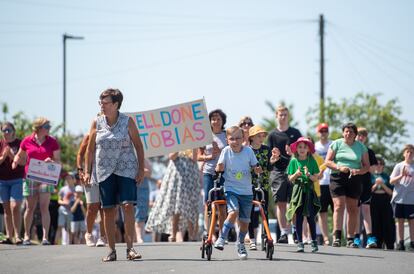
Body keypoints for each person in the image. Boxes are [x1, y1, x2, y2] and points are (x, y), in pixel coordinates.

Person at [84, 88, 145, 262]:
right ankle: (111, 250)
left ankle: (130, 248)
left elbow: (139, 146)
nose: (102, 106)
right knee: (108, 209)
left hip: (126, 168)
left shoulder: (128, 122)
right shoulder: (96, 122)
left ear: (116, 104)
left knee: (127, 206)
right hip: (104, 171)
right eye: (100, 102)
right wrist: (88, 171)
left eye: (106, 102)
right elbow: (90, 149)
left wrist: (140, 170)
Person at [213, 126, 262, 260]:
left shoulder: (248, 151)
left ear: (243, 139)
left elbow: (255, 166)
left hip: (246, 191)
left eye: (238, 138)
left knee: (245, 221)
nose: (235, 141)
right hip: (231, 189)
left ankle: (240, 243)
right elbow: (219, 167)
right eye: (232, 139)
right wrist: (219, 168)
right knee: (233, 212)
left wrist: (258, 169)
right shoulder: (226, 151)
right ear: (227, 140)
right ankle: (222, 238)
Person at [12, 117, 61, 245]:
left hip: (46, 177)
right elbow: (20, 155)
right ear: (39, 128)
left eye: (49, 126)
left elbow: (58, 161)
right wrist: (15, 160)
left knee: (45, 207)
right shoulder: (27, 140)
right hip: (30, 177)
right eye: (47, 127)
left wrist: (52, 161)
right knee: (30, 208)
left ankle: (45, 238)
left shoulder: (52, 141)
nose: (49, 129)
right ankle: (27, 236)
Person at [325, 123, 370, 247]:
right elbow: (327, 161)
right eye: (346, 131)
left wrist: (358, 171)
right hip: (338, 176)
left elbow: (367, 166)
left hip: (354, 177)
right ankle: (337, 237)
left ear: (355, 134)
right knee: (339, 206)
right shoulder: (336, 144)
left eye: (351, 131)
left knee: (353, 208)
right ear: (343, 133)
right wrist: (339, 167)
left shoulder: (361, 147)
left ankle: (350, 238)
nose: (348, 133)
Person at [146, 149, 200, 242]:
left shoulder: (193, 141)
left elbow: (195, 158)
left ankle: (192, 234)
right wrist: (181, 147)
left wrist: (193, 148)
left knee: (190, 204)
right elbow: (171, 156)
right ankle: (173, 233)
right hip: (177, 174)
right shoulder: (177, 141)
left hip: (190, 174)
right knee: (177, 205)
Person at [267, 105, 302, 243]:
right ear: (276, 116)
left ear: (289, 116)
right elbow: (269, 155)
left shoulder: (296, 133)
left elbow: (303, 152)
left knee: (293, 203)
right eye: (280, 115)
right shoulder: (272, 135)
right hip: (277, 172)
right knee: (280, 203)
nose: (283, 117)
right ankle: (283, 233)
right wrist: (275, 156)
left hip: (294, 171)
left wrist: (293, 154)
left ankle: (294, 230)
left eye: (285, 115)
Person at [247, 125, 280, 250]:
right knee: (249, 212)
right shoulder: (246, 150)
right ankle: (252, 239)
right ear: (251, 137)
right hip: (249, 184)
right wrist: (253, 169)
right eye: (258, 136)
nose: (261, 138)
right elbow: (243, 166)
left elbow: (269, 168)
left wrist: (272, 161)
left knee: (264, 210)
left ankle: (265, 236)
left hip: (264, 184)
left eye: (263, 136)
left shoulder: (266, 149)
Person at [286, 137, 321, 252]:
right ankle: (300, 242)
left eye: (305, 147)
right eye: (300, 147)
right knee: (299, 218)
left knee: (311, 217)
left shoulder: (312, 160)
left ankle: (314, 242)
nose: (302, 149)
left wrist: (309, 174)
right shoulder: (293, 161)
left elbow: (316, 178)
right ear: (296, 148)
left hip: (309, 191)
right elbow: (290, 178)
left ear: (308, 149)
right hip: (298, 191)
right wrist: (296, 174)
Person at [197, 109, 227, 236]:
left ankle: (222, 233)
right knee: (208, 203)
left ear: (223, 121)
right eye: (213, 119)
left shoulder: (227, 136)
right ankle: (208, 232)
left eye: (218, 119)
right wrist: (210, 156)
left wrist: (221, 153)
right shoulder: (205, 136)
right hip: (208, 172)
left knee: (222, 204)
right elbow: (198, 156)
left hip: (224, 172)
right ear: (209, 121)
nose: (216, 121)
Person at [76, 133, 106, 247]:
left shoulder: (110, 136)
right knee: (92, 207)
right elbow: (80, 154)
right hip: (90, 175)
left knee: (104, 207)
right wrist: (80, 170)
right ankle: (88, 234)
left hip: (105, 175)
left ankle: (102, 237)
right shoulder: (89, 136)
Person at [0, 122, 24, 245]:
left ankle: (17, 235)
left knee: (15, 206)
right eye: (4, 130)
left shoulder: (20, 143)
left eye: (8, 130)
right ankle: (9, 236)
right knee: (6, 209)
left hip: (17, 179)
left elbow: (23, 161)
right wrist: (4, 157)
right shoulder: (1, 144)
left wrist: (12, 155)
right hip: (2, 180)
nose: (6, 133)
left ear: (13, 131)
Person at [354, 127, 378, 248]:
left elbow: (374, 170)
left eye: (363, 135)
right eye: (358, 134)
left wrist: (364, 165)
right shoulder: (351, 150)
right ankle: (356, 238)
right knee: (356, 211)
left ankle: (370, 238)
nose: (361, 137)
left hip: (366, 184)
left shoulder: (369, 151)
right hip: (353, 183)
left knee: (366, 210)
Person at [390, 144, 414, 251]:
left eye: (412, 152)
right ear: (404, 154)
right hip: (399, 198)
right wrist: (401, 175)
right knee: (399, 220)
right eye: (407, 152)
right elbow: (391, 181)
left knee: (411, 220)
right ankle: (400, 242)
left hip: (411, 199)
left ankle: (413, 242)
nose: (409, 154)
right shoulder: (399, 166)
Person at [314, 123, 333, 246]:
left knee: (337, 210)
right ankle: (326, 238)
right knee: (323, 212)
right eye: (321, 131)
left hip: (334, 181)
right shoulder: (314, 147)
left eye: (325, 130)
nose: (323, 133)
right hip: (320, 182)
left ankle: (336, 236)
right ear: (318, 132)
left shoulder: (333, 144)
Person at [371, 157, 395, 250]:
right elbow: (369, 191)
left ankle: (389, 244)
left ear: (383, 166)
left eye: (381, 164)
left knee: (387, 222)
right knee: (375, 222)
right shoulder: (371, 176)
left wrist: (383, 184)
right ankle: (376, 243)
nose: (379, 166)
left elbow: (391, 192)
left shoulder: (387, 176)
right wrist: (376, 184)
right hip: (374, 200)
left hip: (385, 200)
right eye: (377, 164)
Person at [135, 159, 151, 243]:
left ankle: (140, 236)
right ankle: (137, 236)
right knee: (136, 212)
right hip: (134, 187)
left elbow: (149, 173)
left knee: (141, 212)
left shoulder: (146, 160)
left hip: (143, 188)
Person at [57, 173, 75, 245]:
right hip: (62, 209)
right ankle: (56, 243)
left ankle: (70, 244)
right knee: (60, 226)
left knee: (70, 228)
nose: (68, 179)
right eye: (66, 178)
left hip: (71, 211)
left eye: (69, 178)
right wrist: (64, 202)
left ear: (73, 179)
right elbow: (59, 200)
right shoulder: (62, 189)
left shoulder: (76, 189)